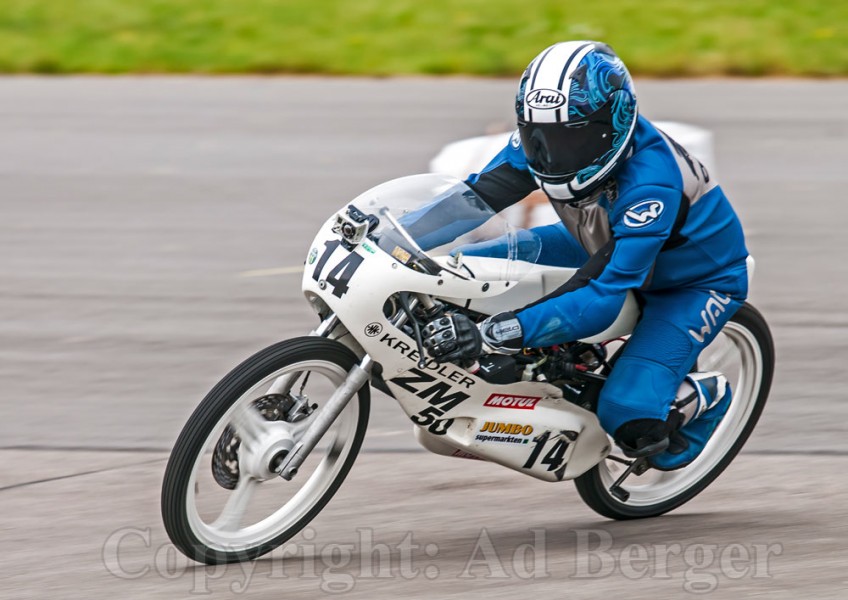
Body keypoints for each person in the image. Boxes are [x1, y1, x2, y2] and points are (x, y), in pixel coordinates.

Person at [421, 41, 749, 470]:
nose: (554, 154)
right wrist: (389, 235)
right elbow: (474, 199)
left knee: (630, 418)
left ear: (614, 123)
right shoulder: (539, 145)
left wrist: (494, 334)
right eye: (540, 135)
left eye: (573, 137)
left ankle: (705, 394)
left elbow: (601, 296)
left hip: (691, 283)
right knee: (460, 267)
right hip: (596, 238)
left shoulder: (652, 184)